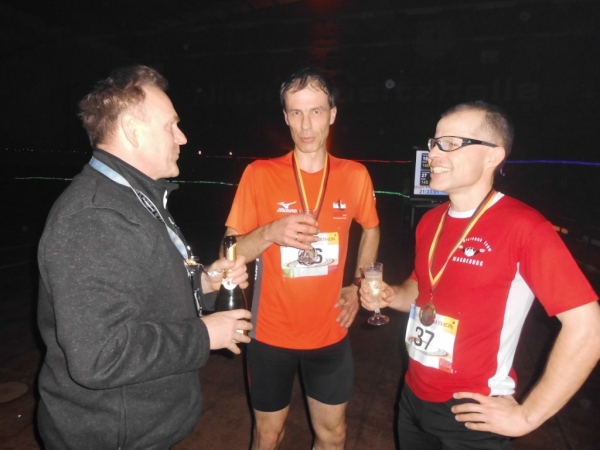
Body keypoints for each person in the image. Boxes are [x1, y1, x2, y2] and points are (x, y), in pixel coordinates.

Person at [360, 100, 600, 449]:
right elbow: (422, 286)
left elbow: (589, 328)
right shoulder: (431, 221)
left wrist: (528, 416)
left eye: (451, 143)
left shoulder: (524, 227)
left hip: (472, 413)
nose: (433, 153)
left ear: (492, 156)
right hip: (411, 396)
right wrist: (393, 295)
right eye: (434, 142)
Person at [36, 65, 252, 450]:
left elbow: (144, 289)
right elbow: (99, 356)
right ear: (133, 131)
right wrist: (205, 334)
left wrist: (203, 283)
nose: (182, 137)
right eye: (171, 125)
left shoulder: (131, 198)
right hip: (112, 436)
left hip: (136, 429)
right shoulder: (97, 217)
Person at [223, 67, 380, 449]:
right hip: (270, 335)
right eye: (296, 112)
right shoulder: (259, 174)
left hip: (330, 334)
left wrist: (357, 285)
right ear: (285, 117)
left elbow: (371, 228)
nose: (306, 125)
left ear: (332, 114)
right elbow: (228, 253)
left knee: (333, 436)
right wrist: (269, 232)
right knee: (268, 436)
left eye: (316, 111)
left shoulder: (355, 175)